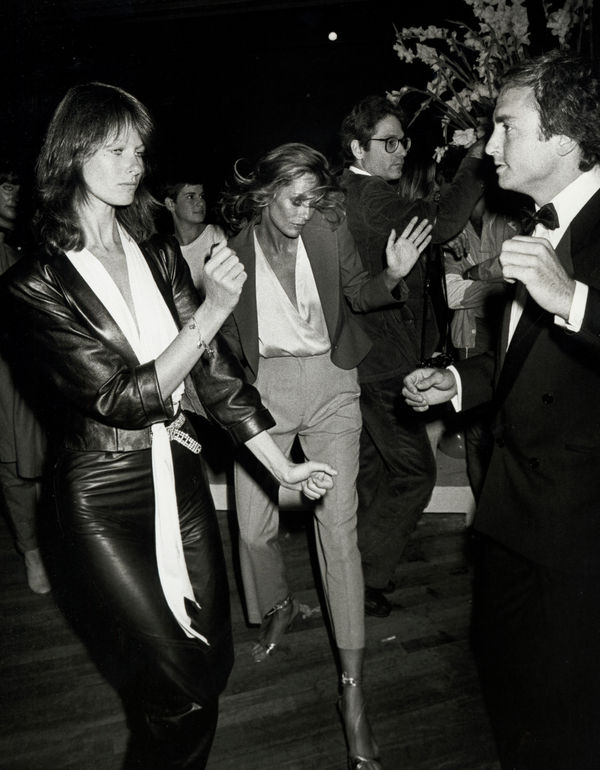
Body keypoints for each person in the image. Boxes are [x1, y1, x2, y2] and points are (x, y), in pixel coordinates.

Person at [0, 83, 336, 770]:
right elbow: (123, 398)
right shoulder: (34, 284)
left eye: (140, 150)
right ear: (73, 153)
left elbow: (214, 378)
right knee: (178, 678)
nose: (134, 163)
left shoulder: (154, 253)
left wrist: (283, 467)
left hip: (176, 480)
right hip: (99, 499)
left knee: (205, 671)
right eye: (116, 148)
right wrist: (211, 310)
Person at [403, 52, 600, 769]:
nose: (488, 148)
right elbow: (521, 366)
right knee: (508, 680)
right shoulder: (532, 225)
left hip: (583, 529)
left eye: (504, 128)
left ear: (564, 138)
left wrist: (574, 300)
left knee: (571, 709)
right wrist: (455, 384)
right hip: (514, 510)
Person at [219, 142, 431, 770]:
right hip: (268, 393)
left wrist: (392, 274)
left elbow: (363, 294)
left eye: (315, 199)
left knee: (338, 535)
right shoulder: (230, 251)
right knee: (254, 532)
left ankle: (354, 695)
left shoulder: (328, 229)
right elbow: (223, 345)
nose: (306, 211)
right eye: (294, 199)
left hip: (334, 384)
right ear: (265, 194)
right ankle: (280, 603)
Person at [338, 95, 485, 617]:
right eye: (388, 142)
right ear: (359, 147)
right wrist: (479, 158)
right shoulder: (372, 198)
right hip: (384, 361)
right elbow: (443, 220)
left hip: (369, 354)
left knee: (376, 469)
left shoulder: (355, 190)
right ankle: (365, 576)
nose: (401, 150)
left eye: (403, 140)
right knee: (414, 473)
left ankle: (351, 574)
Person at [442, 185, 517, 502]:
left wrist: (475, 273)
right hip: (472, 336)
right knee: (476, 433)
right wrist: (500, 282)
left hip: (510, 335)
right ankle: (484, 511)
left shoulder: (509, 222)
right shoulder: (448, 234)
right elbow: (452, 296)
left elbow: (526, 275)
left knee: (509, 428)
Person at [0, 159, 50, 594]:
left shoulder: (33, 239)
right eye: (4, 186)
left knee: (46, 460)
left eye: (18, 186)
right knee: (13, 462)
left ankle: (51, 546)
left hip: (42, 366)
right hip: (5, 371)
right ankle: (31, 552)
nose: (12, 194)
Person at [163, 175, 225, 291]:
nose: (200, 202)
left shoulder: (218, 236)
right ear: (171, 204)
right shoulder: (166, 251)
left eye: (202, 196)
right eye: (191, 197)